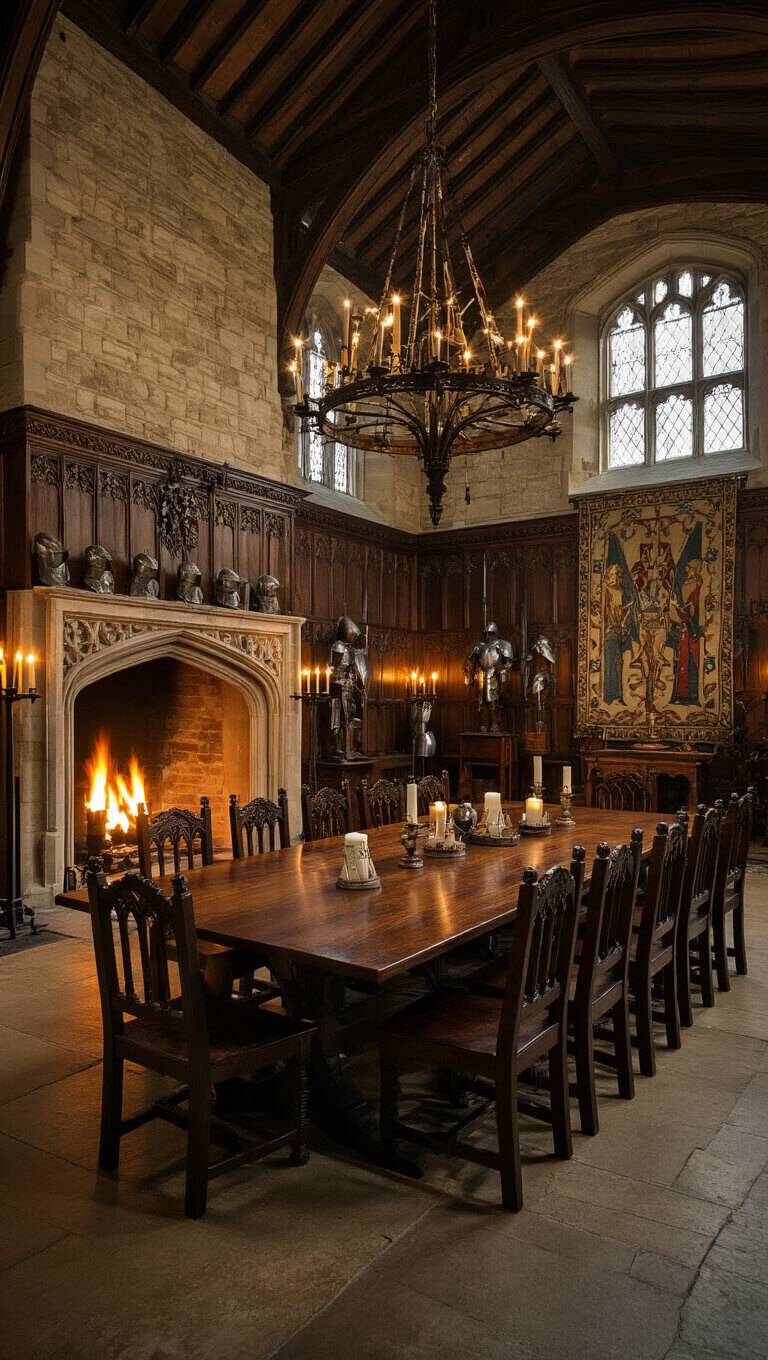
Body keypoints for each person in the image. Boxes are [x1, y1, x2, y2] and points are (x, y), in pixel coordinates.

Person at [464, 622, 514, 732]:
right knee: (481, 702)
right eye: (486, 633)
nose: (488, 636)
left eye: (490, 633)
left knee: (493, 702)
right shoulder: (478, 646)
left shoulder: (502, 644)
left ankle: (494, 724)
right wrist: (469, 676)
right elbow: (470, 662)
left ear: (495, 633)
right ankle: (483, 725)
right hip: (481, 675)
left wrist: (500, 670)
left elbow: (508, 663)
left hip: (495, 675)